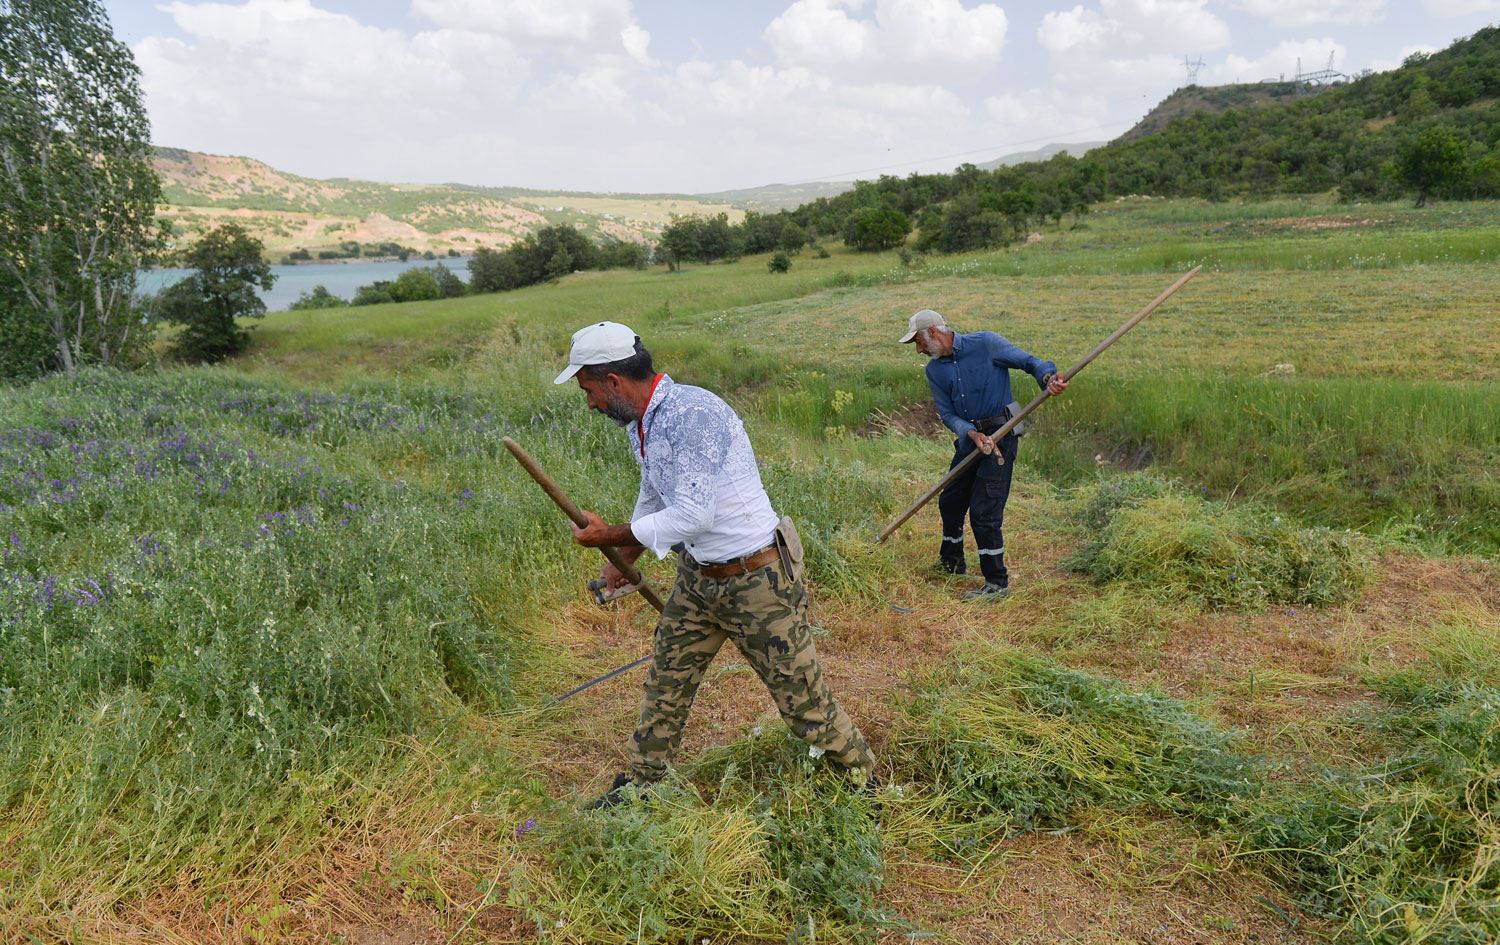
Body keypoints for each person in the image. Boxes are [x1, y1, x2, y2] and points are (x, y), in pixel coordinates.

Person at [557, 321, 876, 808]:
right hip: (698, 580)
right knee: (666, 680)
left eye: (589, 390)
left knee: (803, 704)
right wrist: (624, 558)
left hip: (757, 581)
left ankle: (862, 786)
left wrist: (609, 535)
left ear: (613, 381)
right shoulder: (641, 422)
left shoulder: (693, 414)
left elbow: (692, 513)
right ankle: (644, 787)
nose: (591, 403)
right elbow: (655, 494)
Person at [900, 309, 1068, 601]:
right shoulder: (935, 370)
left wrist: (1048, 377)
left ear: (935, 333)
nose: (918, 350)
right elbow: (948, 414)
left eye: (919, 341)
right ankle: (951, 564)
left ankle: (996, 582)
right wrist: (970, 434)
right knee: (950, 501)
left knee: (984, 511)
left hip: (1000, 438)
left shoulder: (986, 344)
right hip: (970, 441)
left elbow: (1030, 362)